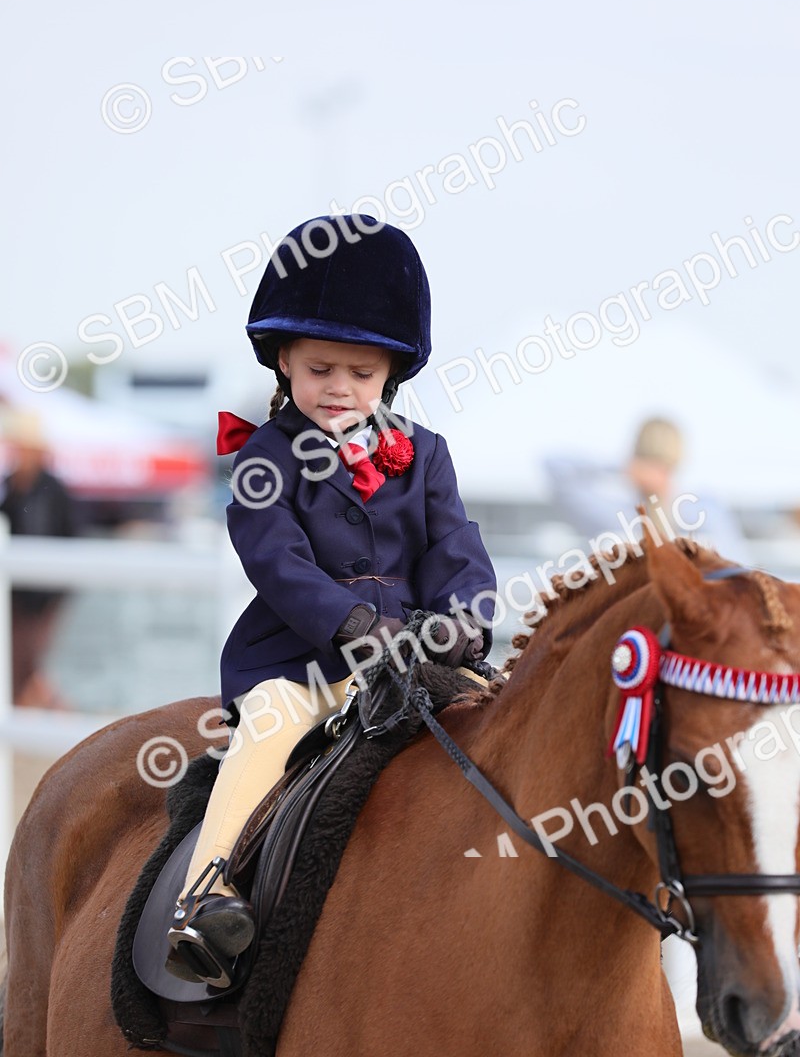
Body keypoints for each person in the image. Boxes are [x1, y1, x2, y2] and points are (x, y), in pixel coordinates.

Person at [166, 215, 497, 986]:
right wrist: (353, 625)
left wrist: (464, 620)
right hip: (303, 661)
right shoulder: (264, 456)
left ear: (391, 373)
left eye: (361, 372)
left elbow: (456, 547)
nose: (340, 387)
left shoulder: (427, 454)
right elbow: (276, 561)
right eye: (320, 368)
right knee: (268, 728)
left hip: (413, 657)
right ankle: (204, 894)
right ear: (283, 360)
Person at [545, 416, 749, 564]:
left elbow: (557, 469)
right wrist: (623, 467)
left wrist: (621, 466)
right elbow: (554, 465)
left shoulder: (702, 512)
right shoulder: (615, 514)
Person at [0, 410, 79, 708]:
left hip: (45, 595)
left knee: (26, 662)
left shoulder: (53, 489)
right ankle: (52, 714)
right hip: (17, 595)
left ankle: (55, 712)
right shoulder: (11, 486)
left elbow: (71, 535)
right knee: (22, 663)